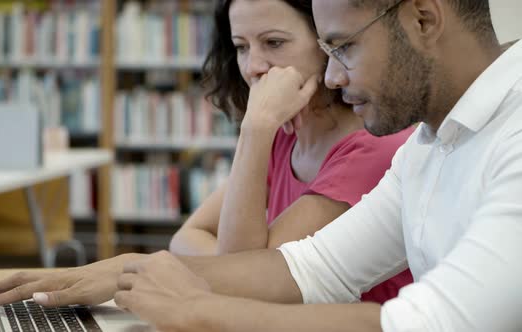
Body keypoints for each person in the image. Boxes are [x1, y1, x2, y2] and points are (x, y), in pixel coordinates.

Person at [0, 0, 522, 331]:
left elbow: (438, 324)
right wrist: (123, 271)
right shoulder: (428, 145)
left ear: (424, 18)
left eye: (343, 47)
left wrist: (198, 309)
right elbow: (312, 268)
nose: (332, 79)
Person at [169, 0, 413, 303]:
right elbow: (184, 238)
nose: (252, 67)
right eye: (241, 47)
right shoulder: (285, 132)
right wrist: (225, 266)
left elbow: (247, 286)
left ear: (328, 42)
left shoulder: (373, 145)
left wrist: (255, 129)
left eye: (274, 43)